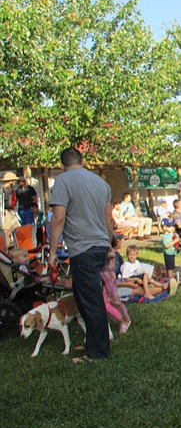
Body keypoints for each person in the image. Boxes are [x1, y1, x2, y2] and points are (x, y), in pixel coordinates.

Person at [48, 147, 114, 362]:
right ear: (83, 161)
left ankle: (97, 352)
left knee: (90, 299)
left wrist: (52, 253)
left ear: (62, 165)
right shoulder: (101, 183)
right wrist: (110, 243)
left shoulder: (63, 181)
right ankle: (94, 340)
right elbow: (108, 218)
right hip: (100, 246)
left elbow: (58, 218)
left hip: (82, 248)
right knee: (83, 295)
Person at [101, 246, 131, 334]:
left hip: (107, 275)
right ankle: (112, 318)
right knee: (102, 301)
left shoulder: (107, 246)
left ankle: (124, 319)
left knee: (113, 300)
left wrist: (103, 255)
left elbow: (112, 254)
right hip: (97, 274)